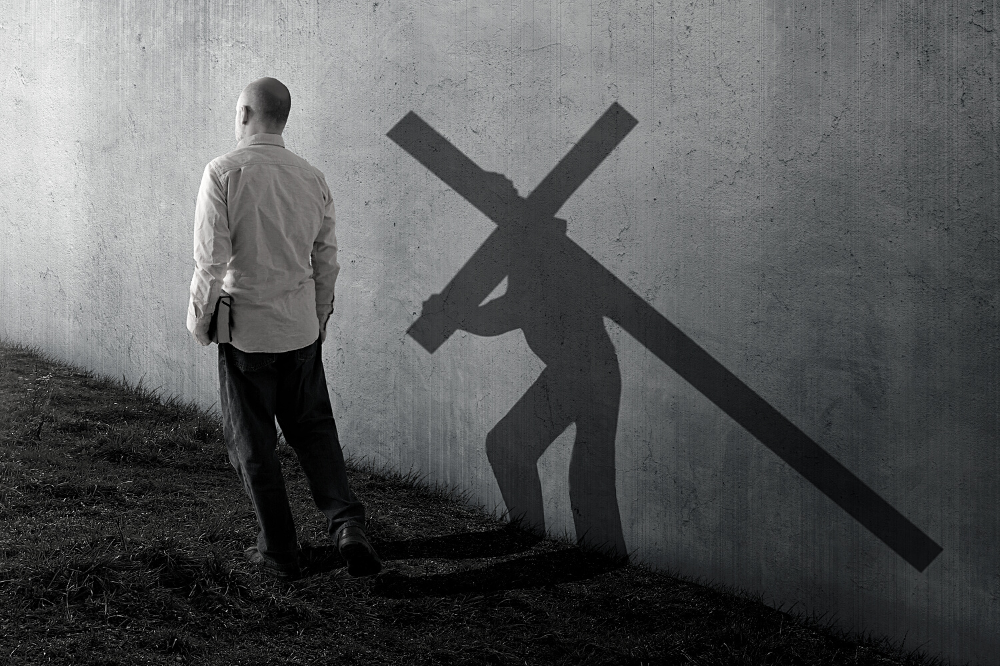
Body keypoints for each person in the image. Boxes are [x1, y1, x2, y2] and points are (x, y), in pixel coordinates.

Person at [186, 77, 381, 581]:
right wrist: (318, 317)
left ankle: (279, 550)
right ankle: (346, 527)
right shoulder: (311, 177)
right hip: (300, 330)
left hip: (246, 332)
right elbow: (326, 259)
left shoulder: (224, 172)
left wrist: (200, 324)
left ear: (247, 113)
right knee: (316, 431)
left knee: (253, 446)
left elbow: (211, 262)